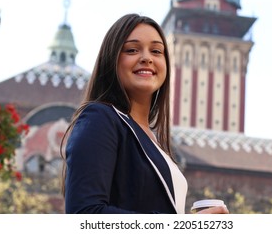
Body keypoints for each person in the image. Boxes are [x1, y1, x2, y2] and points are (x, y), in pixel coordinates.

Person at [60, 13, 229, 214]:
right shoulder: (100, 119)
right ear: (111, 60)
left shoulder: (155, 140)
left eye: (157, 51)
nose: (147, 58)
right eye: (132, 50)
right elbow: (84, 214)